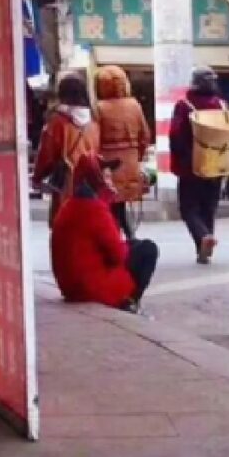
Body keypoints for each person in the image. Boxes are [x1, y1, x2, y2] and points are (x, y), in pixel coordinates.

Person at [50, 153, 158, 313]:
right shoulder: (94, 209)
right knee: (148, 249)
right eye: (106, 177)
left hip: (71, 285)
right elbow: (118, 254)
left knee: (134, 245)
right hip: (90, 289)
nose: (110, 182)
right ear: (96, 181)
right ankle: (128, 302)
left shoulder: (69, 206)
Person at [169, 66, 226, 264]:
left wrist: (180, 160)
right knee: (208, 208)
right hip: (216, 165)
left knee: (188, 209)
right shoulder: (221, 105)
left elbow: (175, 136)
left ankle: (203, 238)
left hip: (191, 167)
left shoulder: (184, 105)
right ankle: (203, 249)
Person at [33, 74, 100, 225]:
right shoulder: (94, 123)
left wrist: (37, 178)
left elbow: (46, 153)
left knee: (64, 226)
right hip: (90, 183)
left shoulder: (58, 122)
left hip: (66, 183)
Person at [94, 65, 151, 240]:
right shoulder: (134, 105)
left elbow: (94, 139)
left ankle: (118, 239)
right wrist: (138, 157)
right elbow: (145, 135)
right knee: (120, 203)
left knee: (110, 202)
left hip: (109, 164)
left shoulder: (99, 108)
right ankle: (129, 236)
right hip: (131, 162)